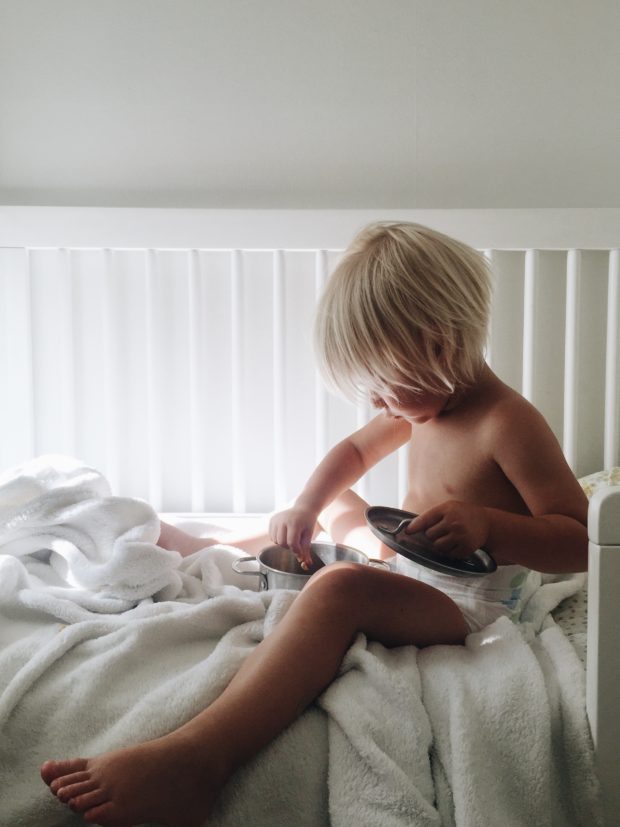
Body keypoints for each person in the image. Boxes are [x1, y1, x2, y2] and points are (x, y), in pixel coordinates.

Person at [40, 222, 588, 827]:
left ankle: (199, 759)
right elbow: (352, 455)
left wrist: (489, 525)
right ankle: (219, 548)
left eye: (386, 386)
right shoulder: (427, 401)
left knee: (340, 588)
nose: (380, 405)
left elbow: (580, 541)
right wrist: (304, 505)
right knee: (340, 502)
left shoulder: (508, 424)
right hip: (409, 563)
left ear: (439, 346)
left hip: (469, 601)